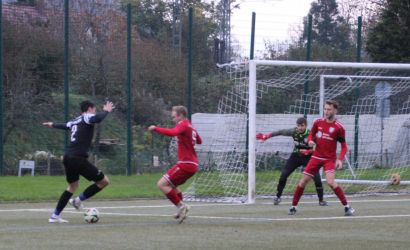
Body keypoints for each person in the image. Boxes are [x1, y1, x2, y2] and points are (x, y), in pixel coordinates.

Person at [43, 100, 114, 223]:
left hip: (67, 157)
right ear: (90, 109)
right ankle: (77, 200)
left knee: (72, 186)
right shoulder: (87, 117)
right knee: (104, 181)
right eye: (94, 109)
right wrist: (106, 111)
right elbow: (97, 119)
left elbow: (65, 125)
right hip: (78, 158)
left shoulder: (76, 120)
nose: (95, 112)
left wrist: (52, 124)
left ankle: (54, 216)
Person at [288, 100, 355, 216]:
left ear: (335, 111)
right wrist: (309, 140)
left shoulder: (339, 128)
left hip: (329, 159)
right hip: (316, 157)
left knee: (330, 181)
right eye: (325, 109)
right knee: (303, 181)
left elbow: (344, 147)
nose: (326, 111)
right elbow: (311, 134)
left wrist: (340, 159)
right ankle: (293, 207)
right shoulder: (318, 122)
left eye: (329, 109)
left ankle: (347, 207)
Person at [256, 117, 327, 206]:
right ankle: (278, 197)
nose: (300, 128)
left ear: (306, 126)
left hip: (309, 158)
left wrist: (308, 151)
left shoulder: (311, 134)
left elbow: (319, 148)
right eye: (298, 126)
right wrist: (267, 136)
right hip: (295, 156)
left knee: (317, 178)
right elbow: (280, 132)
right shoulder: (294, 132)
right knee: (283, 175)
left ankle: (321, 200)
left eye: (302, 126)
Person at [148, 106, 202, 223]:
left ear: (181, 115)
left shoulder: (183, 125)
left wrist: (156, 128)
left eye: (174, 117)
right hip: (192, 164)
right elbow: (199, 140)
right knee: (172, 185)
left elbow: (173, 132)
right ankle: (181, 209)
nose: (173, 120)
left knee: (161, 184)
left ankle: (181, 206)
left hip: (186, 164)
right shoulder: (190, 126)